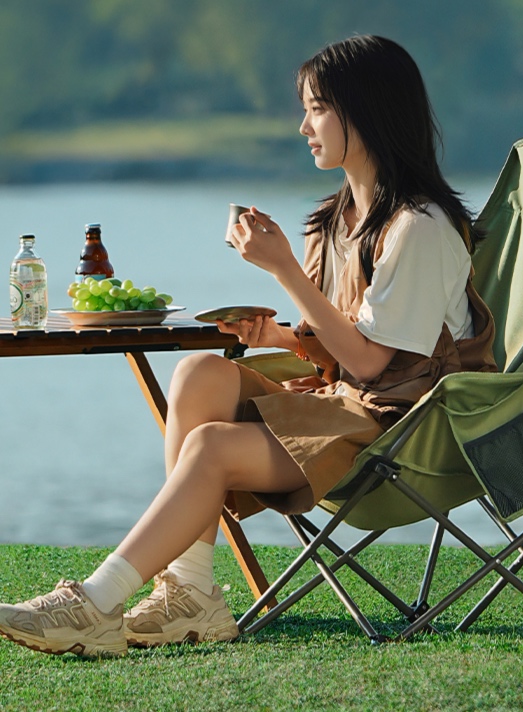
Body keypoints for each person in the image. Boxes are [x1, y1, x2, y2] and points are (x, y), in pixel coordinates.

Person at [0, 35, 496, 658]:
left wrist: (283, 269)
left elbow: (376, 364)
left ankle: (95, 604)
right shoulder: (339, 218)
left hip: (402, 429)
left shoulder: (419, 227)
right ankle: (190, 591)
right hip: (347, 400)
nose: (303, 126)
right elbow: (348, 347)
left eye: (317, 108)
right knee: (199, 374)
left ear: (364, 111)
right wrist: (283, 339)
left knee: (211, 444)